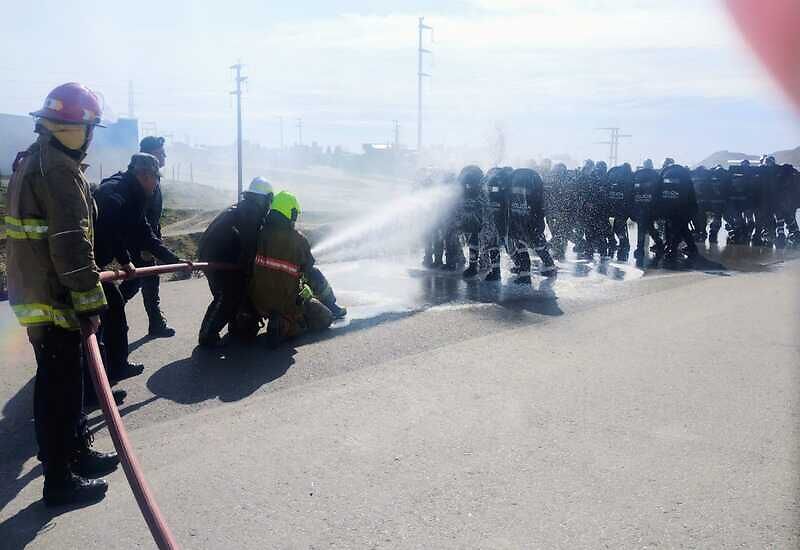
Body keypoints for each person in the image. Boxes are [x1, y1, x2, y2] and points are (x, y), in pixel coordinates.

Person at [5, 82, 118, 506]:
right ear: (80, 128)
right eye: (90, 129)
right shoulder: (59, 171)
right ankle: (59, 478)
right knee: (60, 390)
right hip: (55, 299)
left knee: (62, 385)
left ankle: (75, 451)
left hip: (39, 293)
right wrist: (91, 305)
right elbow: (72, 246)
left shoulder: (36, 159)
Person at [92, 153, 188, 383]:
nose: (157, 184)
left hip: (93, 262)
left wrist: (175, 260)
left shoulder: (131, 192)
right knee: (108, 313)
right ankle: (108, 372)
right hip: (85, 264)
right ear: (144, 175)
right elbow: (108, 230)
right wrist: (126, 261)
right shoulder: (118, 193)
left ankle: (110, 367)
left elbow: (145, 234)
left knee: (110, 311)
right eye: (155, 178)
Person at [249, 191, 347, 347]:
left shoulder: (259, 234)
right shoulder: (299, 241)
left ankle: (250, 320)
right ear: (291, 213)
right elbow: (309, 271)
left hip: (257, 301)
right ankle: (288, 325)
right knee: (324, 318)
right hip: (286, 303)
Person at [197, 177, 273, 347]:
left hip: (214, 254)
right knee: (228, 295)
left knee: (232, 292)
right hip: (218, 258)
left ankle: (236, 324)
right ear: (265, 198)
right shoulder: (251, 212)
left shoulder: (246, 207)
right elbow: (249, 244)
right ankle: (207, 335)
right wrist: (250, 267)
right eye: (269, 200)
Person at [119, 136, 174, 337]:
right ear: (151, 154)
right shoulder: (141, 181)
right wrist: (145, 246)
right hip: (139, 239)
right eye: (161, 152)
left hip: (148, 236)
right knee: (135, 281)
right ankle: (107, 313)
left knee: (150, 280)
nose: (165, 155)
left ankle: (156, 323)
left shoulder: (153, 178)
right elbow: (140, 216)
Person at [506, 168, 557, 283]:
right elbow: (541, 204)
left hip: (520, 218)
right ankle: (550, 266)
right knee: (537, 243)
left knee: (521, 244)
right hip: (532, 218)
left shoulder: (514, 179)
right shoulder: (534, 180)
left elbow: (509, 201)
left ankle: (525, 274)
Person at [658, 161, 699, 264]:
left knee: (676, 227)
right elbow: (691, 194)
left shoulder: (665, 174)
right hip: (684, 207)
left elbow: (659, 192)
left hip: (671, 206)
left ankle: (672, 249)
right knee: (682, 227)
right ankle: (691, 248)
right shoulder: (683, 174)